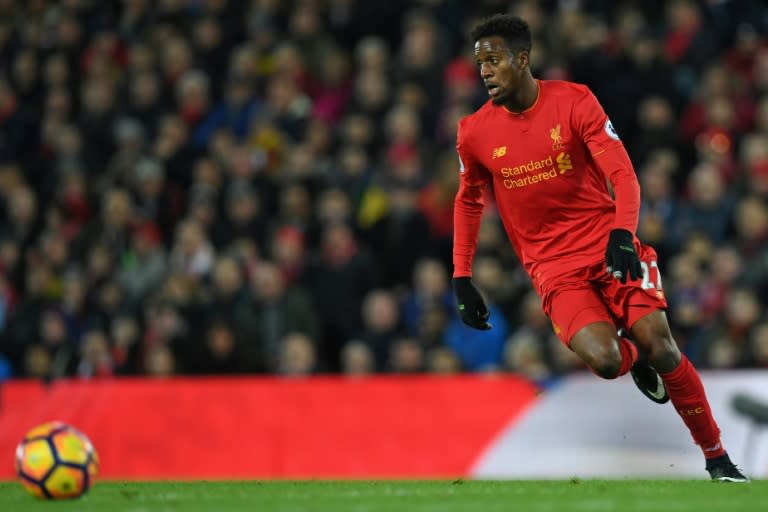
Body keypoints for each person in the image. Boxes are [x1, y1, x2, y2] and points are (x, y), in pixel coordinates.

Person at [452, 14, 748, 482]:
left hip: (609, 246)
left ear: (522, 59)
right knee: (607, 360)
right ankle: (633, 361)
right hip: (553, 268)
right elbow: (468, 202)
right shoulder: (474, 132)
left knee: (662, 344)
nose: (484, 71)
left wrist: (622, 234)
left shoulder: (574, 100)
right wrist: (462, 276)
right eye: (479, 62)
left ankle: (718, 459)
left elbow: (623, 174)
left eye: (493, 60)